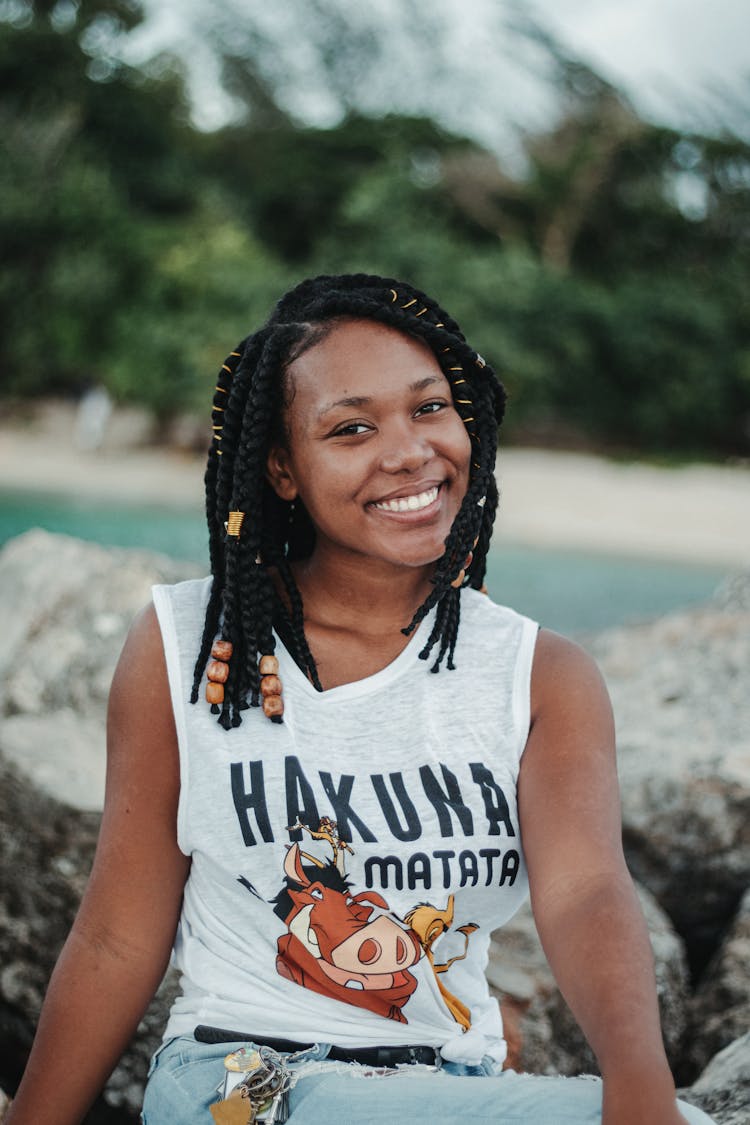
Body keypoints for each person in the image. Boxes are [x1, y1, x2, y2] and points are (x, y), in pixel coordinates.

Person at [7, 274, 714, 1125]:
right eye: (351, 429)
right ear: (282, 469)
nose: (411, 451)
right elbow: (118, 932)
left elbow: (586, 893)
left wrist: (642, 1093)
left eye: (429, 408)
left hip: (451, 1086)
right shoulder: (189, 645)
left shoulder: (540, 674)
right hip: (240, 1082)